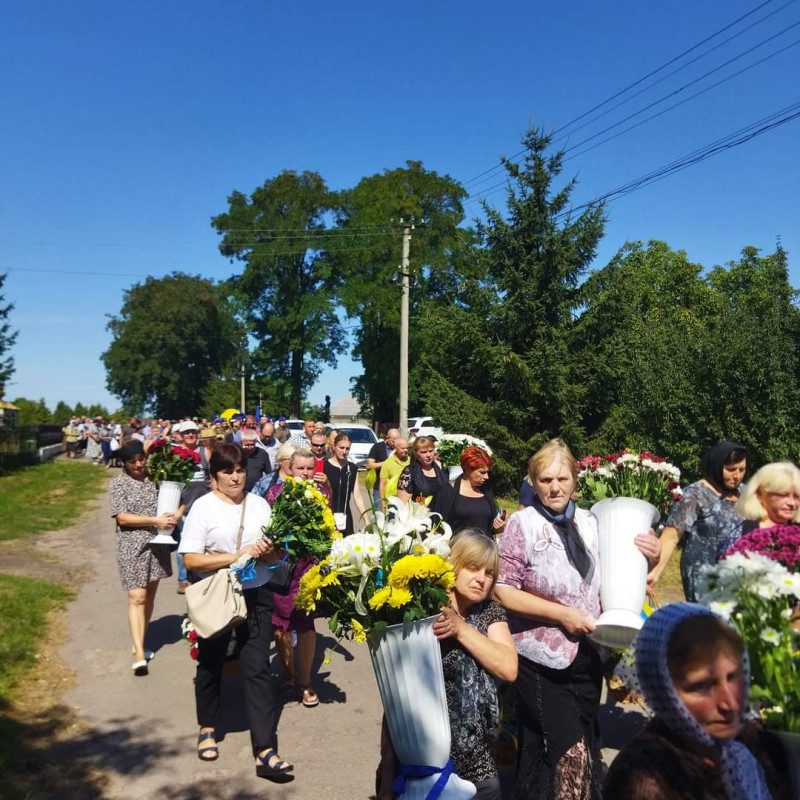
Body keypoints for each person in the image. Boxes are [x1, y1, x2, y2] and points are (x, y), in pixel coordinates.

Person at [494, 439, 661, 800]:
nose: (555, 487)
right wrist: (562, 615)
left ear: (575, 481)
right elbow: (503, 591)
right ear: (533, 482)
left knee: (555, 749)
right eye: (545, 479)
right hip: (537, 661)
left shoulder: (592, 521)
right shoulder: (521, 525)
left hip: (588, 658)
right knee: (572, 753)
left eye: (562, 479)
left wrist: (652, 554)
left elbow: (621, 572)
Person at [179, 444, 293, 780]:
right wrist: (234, 557)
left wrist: (271, 552)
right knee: (211, 662)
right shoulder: (203, 508)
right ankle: (208, 727)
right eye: (227, 471)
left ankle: (265, 749)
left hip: (256, 593)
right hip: (217, 594)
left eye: (240, 470)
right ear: (213, 477)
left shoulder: (259, 505)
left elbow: (276, 558)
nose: (235, 476)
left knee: (256, 668)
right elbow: (190, 559)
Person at [377, 529, 518, 800]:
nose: (481, 579)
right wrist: (388, 768)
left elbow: (508, 667)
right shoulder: (422, 610)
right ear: (453, 565)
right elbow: (397, 697)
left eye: (489, 573)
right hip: (421, 763)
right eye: (473, 568)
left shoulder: (489, 612)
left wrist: (461, 629)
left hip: (477, 765)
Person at [604, 603, 790, 800]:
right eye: (702, 686)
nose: (730, 704)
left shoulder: (752, 742)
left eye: (734, 676)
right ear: (661, 689)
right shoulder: (643, 782)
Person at [265, 449, 329, 709]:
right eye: (300, 468)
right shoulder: (275, 493)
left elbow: (328, 527)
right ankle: (288, 675)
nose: (305, 473)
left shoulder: (321, 494)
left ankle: (305, 681)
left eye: (309, 468)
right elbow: (267, 527)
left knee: (306, 624)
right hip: (282, 565)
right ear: (289, 468)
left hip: (308, 567)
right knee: (280, 625)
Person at [109, 440, 176, 676]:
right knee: (136, 596)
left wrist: (172, 517)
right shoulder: (119, 484)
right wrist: (154, 521)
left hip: (157, 544)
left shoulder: (157, 479)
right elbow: (122, 518)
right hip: (131, 545)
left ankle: (141, 638)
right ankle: (138, 652)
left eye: (141, 459)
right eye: (132, 461)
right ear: (124, 463)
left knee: (148, 596)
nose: (138, 464)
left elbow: (178, 498)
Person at [650, 442, 747, 602]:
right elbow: (671, 537)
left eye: (741, 470)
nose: (736, 475)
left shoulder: (746, 493)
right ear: (716, 466)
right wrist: (654, 573)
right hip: (705, 580)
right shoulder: (694, 495)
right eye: (730, 470)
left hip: (739, 577)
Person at [716, 461, 800, 556]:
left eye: (797, 496)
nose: (792, 503)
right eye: (782, 495)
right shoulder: (743, 534)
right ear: (760, 494)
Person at [438, 446, 505, 537]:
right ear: (468, 470)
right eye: (482, 472)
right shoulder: (447, 492)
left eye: (487, 472)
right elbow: (439, 528)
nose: (487, 477)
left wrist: (499, 528)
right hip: (460, 548)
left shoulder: (486, 490)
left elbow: (489, 528)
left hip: (484, 549)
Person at [324, 434, 368, 535]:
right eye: (341, 447)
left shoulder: (352, 468)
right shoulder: (324, 466)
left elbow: (357, 495)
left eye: (347, 448)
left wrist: (366, 519)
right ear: (334, 447)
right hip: (326, 515)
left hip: (344, 516)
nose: (344, 451)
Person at [395, 436, 451, 511]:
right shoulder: (409, 472)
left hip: (443, 515)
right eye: (423, 452)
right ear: (416, 454)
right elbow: (402, 505)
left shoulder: (441, 468)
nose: (428, 455)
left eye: (431, 451)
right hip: (421, 518)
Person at [365, 428, 398, 506]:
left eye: (398, 439)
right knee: (380, 514)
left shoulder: (401, 449)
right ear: (388, 438)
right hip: (379, 487)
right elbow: (369, 465)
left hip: (396, 488)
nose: (396, 443)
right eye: (394, 440)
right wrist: (387, 463)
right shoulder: (377, 447)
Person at [379, 437, 411, 510]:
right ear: (396, 448)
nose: (405, 450)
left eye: (407, 448)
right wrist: (383, 505)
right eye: (402, 448)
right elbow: (382, 485)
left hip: (408, 502)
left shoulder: (411, 461)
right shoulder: (387, 463)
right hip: (392, 503)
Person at [240, 428, 272, 492]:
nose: (250, 448)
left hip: (256, 491)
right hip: (240, 491)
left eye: (252, 445)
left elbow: (269, 474)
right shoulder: (238, 453)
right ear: (242, 442)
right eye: (247, 445)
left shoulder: (262, 454)